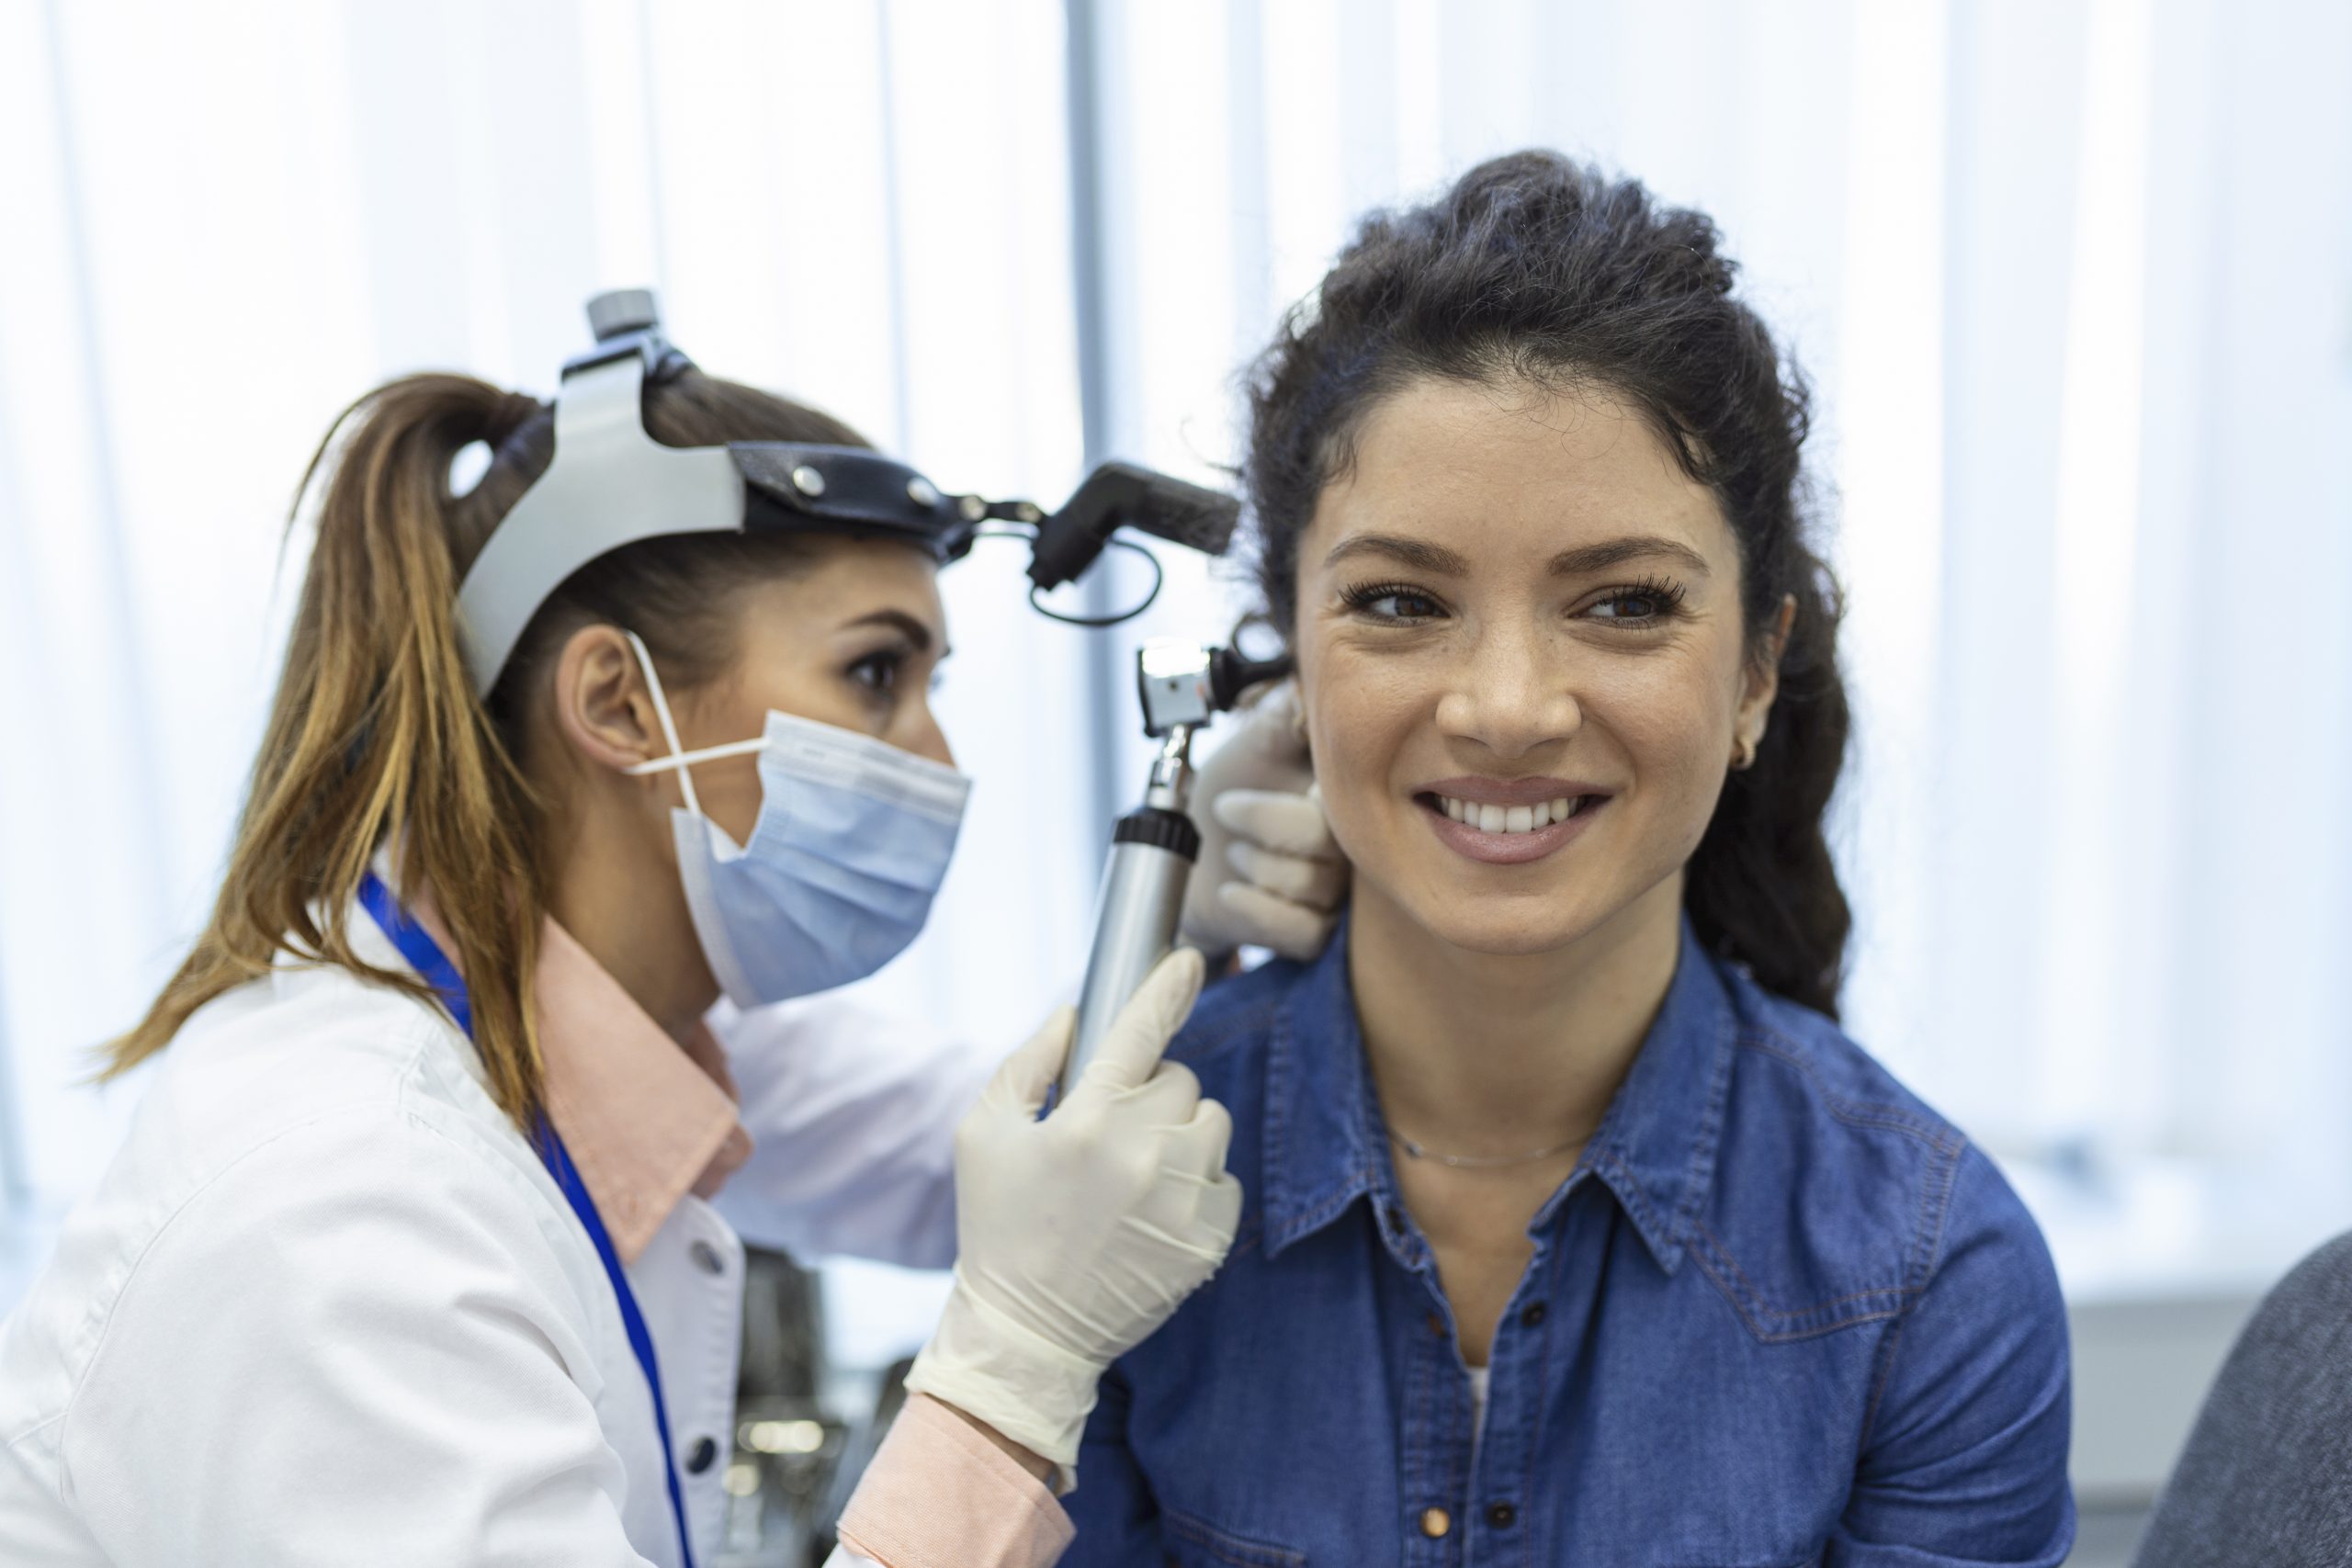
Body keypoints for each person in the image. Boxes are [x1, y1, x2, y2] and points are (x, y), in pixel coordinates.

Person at [0, 315, 1344, 1567]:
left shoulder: (581, 1024)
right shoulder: (346, 1214)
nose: (937, 760)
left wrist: (1176, 913)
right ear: (619, 706)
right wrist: (1011, 1369)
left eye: (933, 684)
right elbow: (1032, 1256)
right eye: (875, 674)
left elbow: (1001, 1164)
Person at [1065, 152, 2075, 1565]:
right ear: (1290, 654)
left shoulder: (1926, 1273)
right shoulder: (1095, 1212)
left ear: (1754, 677)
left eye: (1623, 603)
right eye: (1401, 601)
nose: (1508, 708)